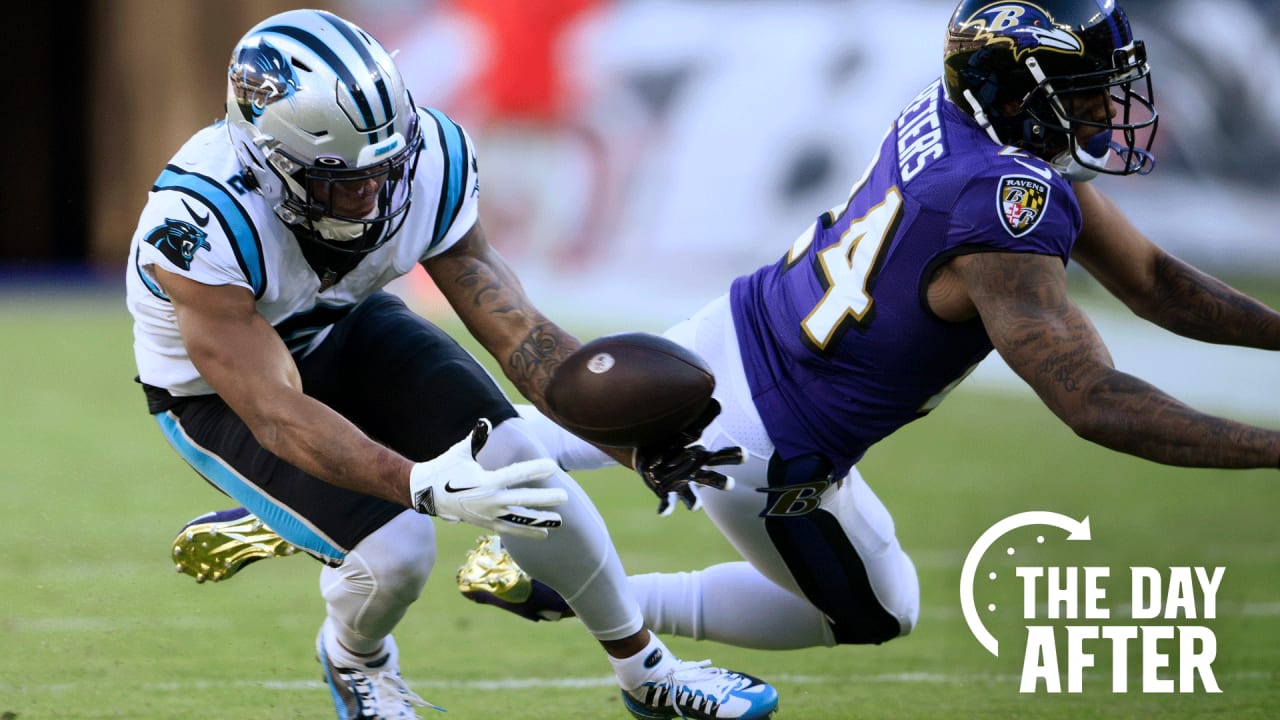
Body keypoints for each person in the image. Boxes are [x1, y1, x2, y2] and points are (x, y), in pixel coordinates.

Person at [170, 0, 1280, 662]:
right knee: (875, 614)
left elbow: (1160, 287)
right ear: (1019, 86)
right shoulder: (1004, 216)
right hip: (772, 438)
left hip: (733, 326)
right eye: (1083, 88)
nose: (1106, 108)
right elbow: (1091, 400)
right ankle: (535, 583)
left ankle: (312, 504)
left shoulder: (957, 124)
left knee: (517, 440)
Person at [127, 9, 778, 720]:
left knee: (528, 471)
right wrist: (416, 484)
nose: (374, 192)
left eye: (387, 164)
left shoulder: (427, 156)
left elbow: (518, 333)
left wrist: (623, 436)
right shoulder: (199, 224)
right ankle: (356, 662)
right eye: (344, 180)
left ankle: (647, 673)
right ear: (270, 162)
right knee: (399, 551)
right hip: (220, 396)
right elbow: (276, 412)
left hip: (351, 325)